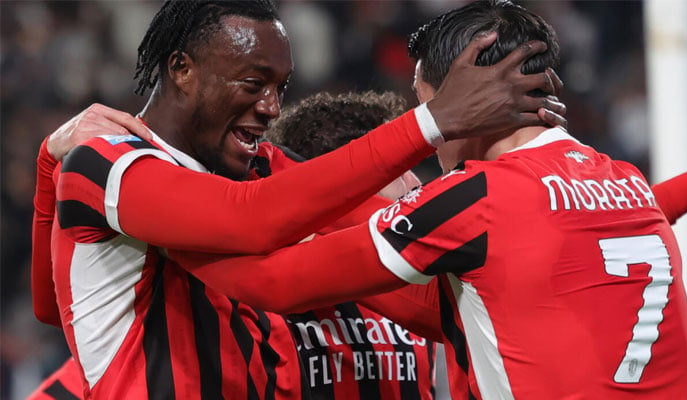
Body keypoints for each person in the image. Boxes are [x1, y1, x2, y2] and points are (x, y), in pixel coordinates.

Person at [32, 0, 568, 398]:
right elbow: (251, 222)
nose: (270, 106)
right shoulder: (104, 163)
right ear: (182, 69)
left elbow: (396, 248)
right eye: (252, 82)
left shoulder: (265, 164)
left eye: (281, 87)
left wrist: (557, 198)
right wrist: (431, 123)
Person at [164, 1, 687, 398]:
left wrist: (165, 216)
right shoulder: (625, 184)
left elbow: (277, 282)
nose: (435, 145)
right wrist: (274, 166)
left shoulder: (476, 200)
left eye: (428, 107)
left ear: (467, 102)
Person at [267, 91, 434, 399]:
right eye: (399, 170)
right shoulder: (265, 286)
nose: (416, 184)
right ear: (347, 182)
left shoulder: (423, 288)